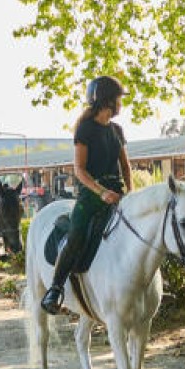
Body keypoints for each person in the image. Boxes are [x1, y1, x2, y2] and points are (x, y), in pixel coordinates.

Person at [40, 76, 132, 315]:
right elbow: (79, 170)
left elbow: (125, 166)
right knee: (77, 234)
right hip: (91, 195)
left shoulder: (117, 130)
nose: (121, 102)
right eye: (119, 98)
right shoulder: (85, 129)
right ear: (107, 100)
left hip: (118, 193)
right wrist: (101, 192)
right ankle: (55, 288)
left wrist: (130, 193)